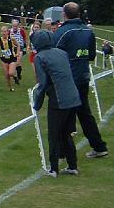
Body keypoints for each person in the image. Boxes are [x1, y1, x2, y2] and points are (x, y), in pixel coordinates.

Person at [53, 2, 109, 159]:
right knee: (84, 113)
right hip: (83, 77)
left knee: (63, 115)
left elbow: (54, 55)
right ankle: (99, 146)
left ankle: (63, 151)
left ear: (64, 14)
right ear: (79, 14)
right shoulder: (88, 31)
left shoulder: (62, 32)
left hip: (68, 79)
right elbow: (91, 55)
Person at [31, 30, 81, 177]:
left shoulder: (39, 57)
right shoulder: (62, 52)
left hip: (59, 99)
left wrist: (36, 104)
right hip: (74, 96)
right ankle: (72, 166)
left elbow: (42, 83)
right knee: (66, 133)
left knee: (54, 135)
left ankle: (53, 169)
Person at [0, 25, 20, 91]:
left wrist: (18, 53)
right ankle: (10, 88)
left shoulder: (12, 38)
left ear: (8, 32)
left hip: (12, 58)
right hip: (4, 58)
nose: (4, 33)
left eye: (5, 31)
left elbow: (18, 45)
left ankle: (15, 76)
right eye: (2, 31)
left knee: (11, 73)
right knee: (7, 75)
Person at [10, 18, 28, 84]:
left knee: (17, 62)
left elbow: (25, 39)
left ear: (18, 25)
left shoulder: (21, 31)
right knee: (17, 63)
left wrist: (26, 47)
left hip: (20, 48)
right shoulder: (10, 31)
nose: (14, 27)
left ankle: (17, 75)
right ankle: (17, 75)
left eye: (16, 26)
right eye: (13, 26)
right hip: (12, 49)